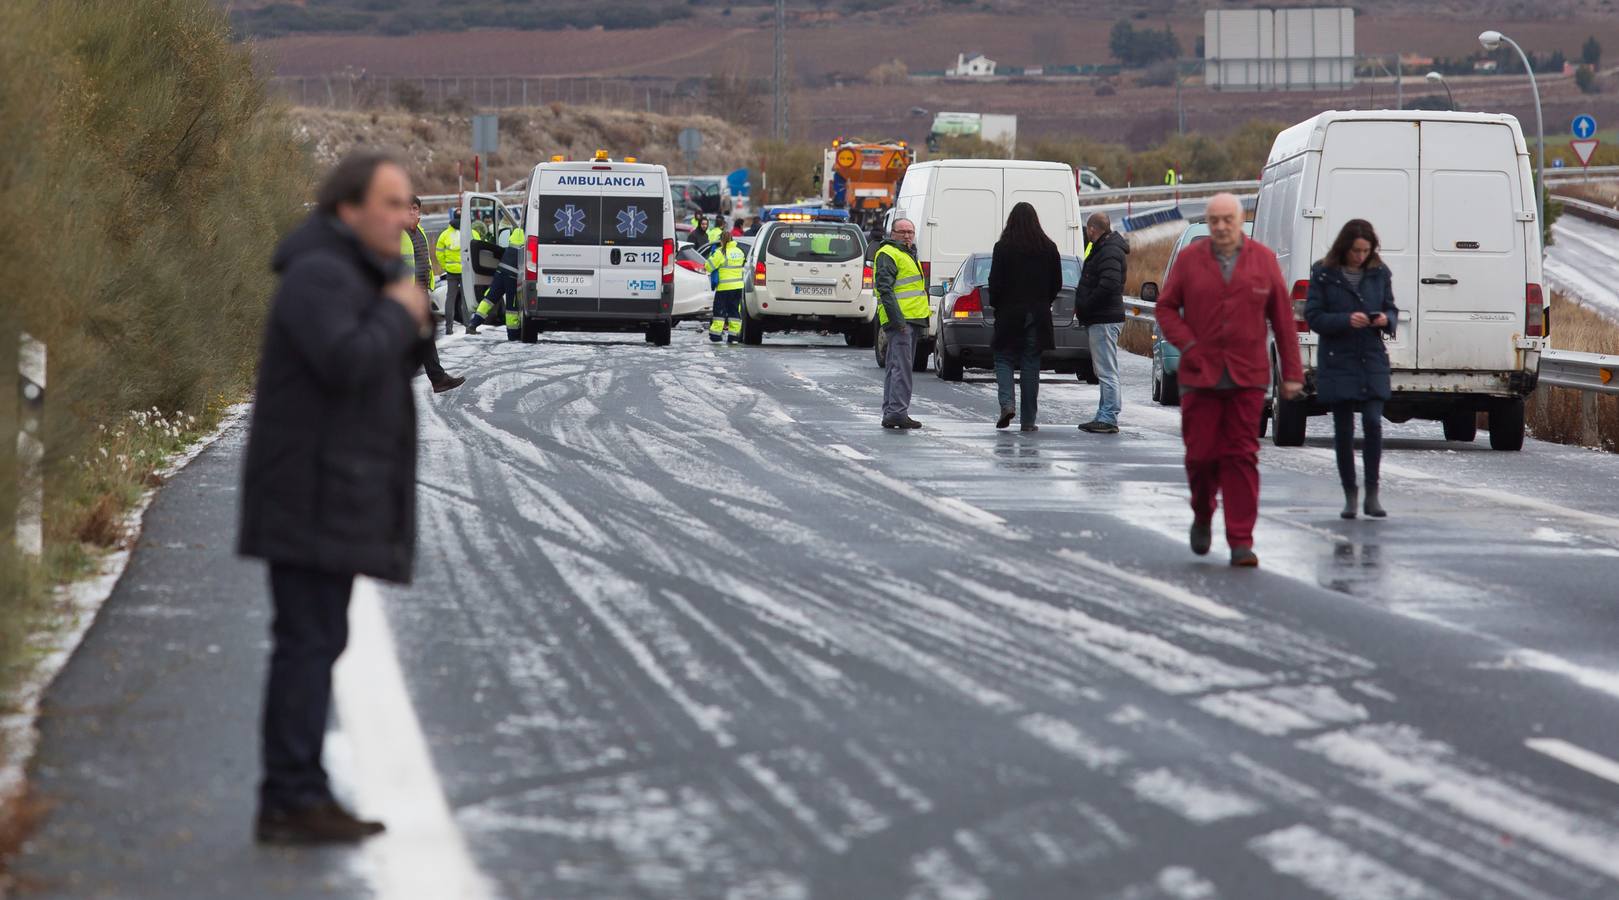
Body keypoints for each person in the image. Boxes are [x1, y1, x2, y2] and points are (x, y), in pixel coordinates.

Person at [240, 152, 430, 844]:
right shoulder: (319, 274)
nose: (408, 217)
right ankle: (288, 797)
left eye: (409, 204)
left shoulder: (352, 273)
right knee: (306, 643)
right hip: (307, 494)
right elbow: (347, 361)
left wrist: (403, 316)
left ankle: (302, 790)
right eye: (393, 203)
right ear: (348, 208)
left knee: (317, 640)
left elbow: (380, 361)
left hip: (325, 491)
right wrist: (394, 313)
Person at [1154, 193, 1303, 568]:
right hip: (1200, 377)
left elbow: (1284, 321)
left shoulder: (1263, 262)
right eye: (1214, 220)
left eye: (1227, 220)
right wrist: (1187, 344)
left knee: (1241, 457)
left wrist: (1292, 374)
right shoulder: (1190, 261)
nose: (1220, 227)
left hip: (1247, 377)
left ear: (1240, 222)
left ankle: (1241, 541)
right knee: (1201, 456)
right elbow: (1166, 308)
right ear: (1208, 222)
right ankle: (1203, 513)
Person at [1305, 219, 1397, 519]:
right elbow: (1314, 316)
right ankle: (1350, 493)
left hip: (1371, 357)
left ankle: (1373, 492)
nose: (1360, 256)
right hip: (1338, 358)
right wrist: (1345, 320)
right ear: (1345, 247)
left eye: (1366, 251)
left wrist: (1386, 319)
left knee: (1373, 422)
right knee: (1343, 430)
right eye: (1356, 250)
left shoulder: (1379, 273)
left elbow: (1392, 308)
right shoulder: (1324, 273)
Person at [986, 202, 1062, 433]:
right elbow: (1056, 283)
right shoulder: (1049, 248)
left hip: (1009, 314)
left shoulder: (1003, 248)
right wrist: (1043, 302)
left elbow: (994, 283)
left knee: (1004, 359)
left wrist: (997, 304)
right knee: (1031, 365)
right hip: (1037, 316)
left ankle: (1007, 404)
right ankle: (1028, 421)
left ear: (1011, 221)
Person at [401, 198, 464, 392]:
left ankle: (438, 378)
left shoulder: (419, 232)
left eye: (415, 208)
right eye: (408, 209)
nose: (412, 212)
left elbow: (426, 260)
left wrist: (430, 285)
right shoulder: (397, 233)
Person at [1076, 212, 1128, 433]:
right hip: (1103, 316)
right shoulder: (1106, 249)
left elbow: (1109, 284)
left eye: (1088, 230)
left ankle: (1108, 416)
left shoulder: (1108, 251)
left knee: (1106, 371)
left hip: (1104, 317)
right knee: (1104, 369)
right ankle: (1103, 414)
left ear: (1092, 230)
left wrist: (1087, 304)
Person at [874, 218, 928, 429]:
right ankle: (897, 412)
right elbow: (885, 289)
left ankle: (892, 411)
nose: (907, 235)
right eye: (902, 231)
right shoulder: (889, 253)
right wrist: (898, 321)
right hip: (901, 320)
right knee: (902, 368)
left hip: (910, 318)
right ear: (892, 233)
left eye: (910, 232)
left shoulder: (906, 253)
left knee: (895, 366)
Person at [467, 223, 526, 341]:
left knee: (489, 299)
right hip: (513, 277)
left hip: (500, 272)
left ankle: (473, 324)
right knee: (512, 306)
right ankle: (513, 334)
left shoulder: (514, 236)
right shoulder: (527, 238)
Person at [705, 229, 747, 344]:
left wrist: (711, 256)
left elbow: (709, 267)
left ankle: (716, 336)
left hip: (724, 287)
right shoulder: (739, 251)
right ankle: (734, 337)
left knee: (720, 311)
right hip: (738, 287)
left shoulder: (720, 252)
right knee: (734, 311)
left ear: (721, 241)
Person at [434, 208, 470, 333]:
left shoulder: (445, 235)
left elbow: (438, 254)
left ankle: (449, 328)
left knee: (450, 299)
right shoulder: (469, 232)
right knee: (466, 299)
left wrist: (446, 266)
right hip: (466, 272)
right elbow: (479, 245)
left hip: (451, 272)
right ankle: (468, 326)